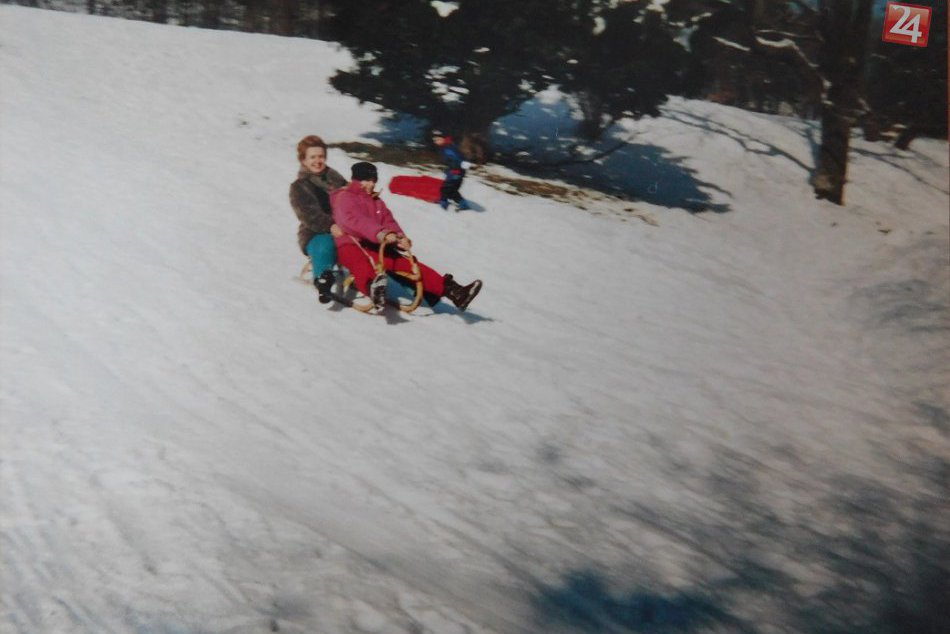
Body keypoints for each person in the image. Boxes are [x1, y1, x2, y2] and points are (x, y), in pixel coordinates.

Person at [331, 161, 482, 312]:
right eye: (366, 180)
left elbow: (388, 221)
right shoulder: (346, 197)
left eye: (373, 181)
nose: (371, 184)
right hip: (349, 243)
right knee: (362, 263)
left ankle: (454, 292)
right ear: (356, 180)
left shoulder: (377, 202)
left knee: (406, 263)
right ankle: (373, 290)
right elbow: (354, 222)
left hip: (375, 244)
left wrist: (400, 237)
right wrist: (381, 233)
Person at [289, 135, 347, 303]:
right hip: (315, 232)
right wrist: (331, 225)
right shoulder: (300, 186)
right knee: (325, 245)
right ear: (304, 160)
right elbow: (308, 214)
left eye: (321, 156)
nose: (317, 161)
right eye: (312, 157)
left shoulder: (336, 178)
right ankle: (323, 279)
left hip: (345, 228)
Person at [431, 129, 472, 211]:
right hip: (455, 172)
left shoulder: (448, 148)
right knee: (452, 190)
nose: (436, 141)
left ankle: (443, 202)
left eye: (438, 139)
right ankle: (463, 203)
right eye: (434, 140)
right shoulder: (446, 146)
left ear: (444, 138)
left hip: (455, 172)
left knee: (445, 188)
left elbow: (457, 158)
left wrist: (456, 169)